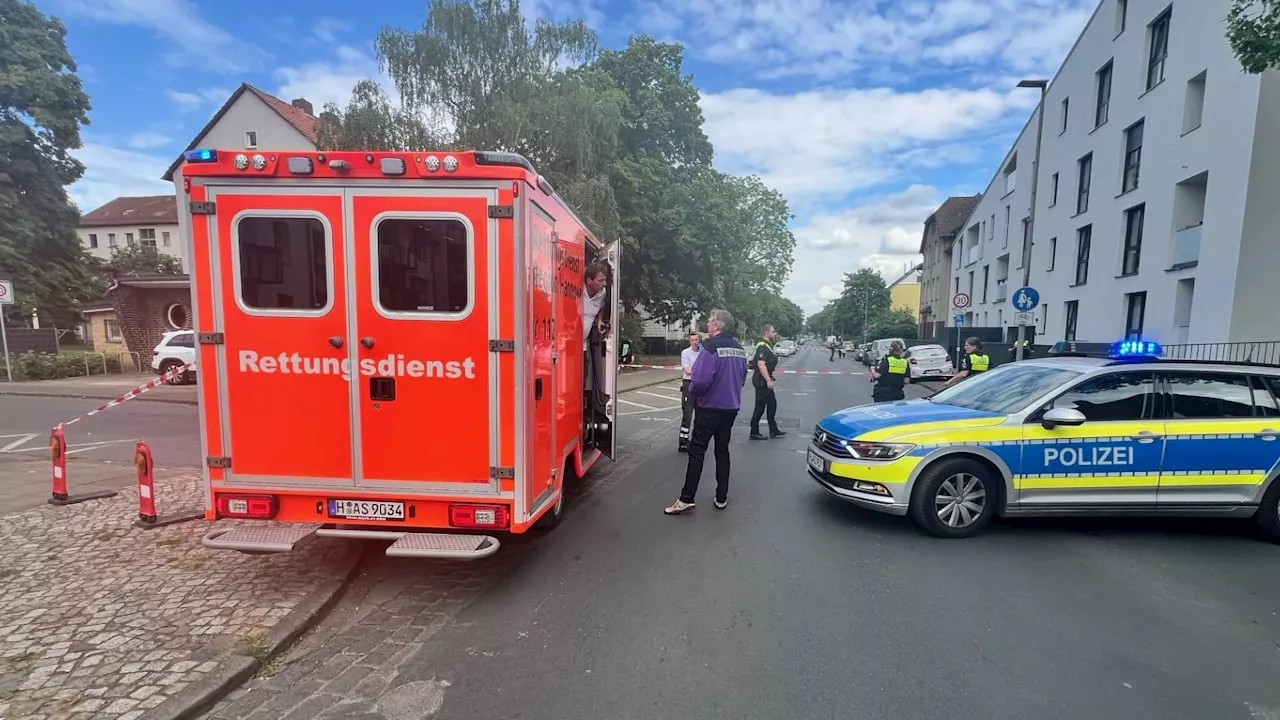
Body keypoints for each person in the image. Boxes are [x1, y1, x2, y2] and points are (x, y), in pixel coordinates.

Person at [665, 309, 748, 515]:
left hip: (709, 408)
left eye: (710, 322)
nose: (708, 325)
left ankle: (687, 498)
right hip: (730, 409)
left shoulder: (710, 348)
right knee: (722, 451)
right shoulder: (739, 349)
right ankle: (721, 496)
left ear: (717, 326)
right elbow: (742, 377)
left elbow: (699, 381)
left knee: (697, 451)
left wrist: (694, 393)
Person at [748, 324, 786, 440]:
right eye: (773, 332)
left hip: (764, 379)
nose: (775, 334)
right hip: (762, 381)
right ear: (767, 333)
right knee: (760, 407)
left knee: (772, 405)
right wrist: (768, 380)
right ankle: (754, 431)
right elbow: (761, 364)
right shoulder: (763, 347)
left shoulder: (768, 346)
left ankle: (773, 429)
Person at [678, 331, 701, 452]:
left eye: (696, 340)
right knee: (687, 414)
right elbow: (688, 370)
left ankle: (696, 440)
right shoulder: (686, 353)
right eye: (692, 340)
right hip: (689, 384)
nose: (694, 342)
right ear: (689, 341)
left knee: (700, 414)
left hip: (700, 385)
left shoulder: (703, 353)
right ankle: (683, 441)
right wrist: (701, 369)